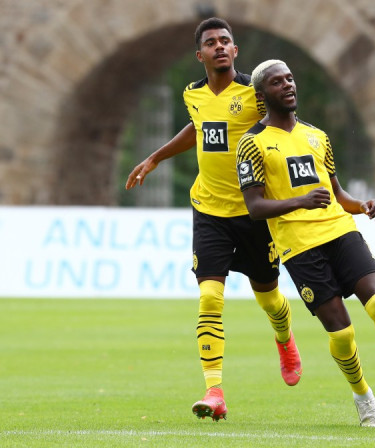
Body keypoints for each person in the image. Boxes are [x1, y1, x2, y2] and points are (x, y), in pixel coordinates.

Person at [236, 60, 375, 429]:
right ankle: (363, 396)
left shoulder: (317, 136)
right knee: (343, 333)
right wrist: (300, 201)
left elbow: (337, 194)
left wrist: (362, 206)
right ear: (261, 94)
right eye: (277, 82)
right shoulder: (252, 144)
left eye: (290, 78)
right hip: (299, 246)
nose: (288, 85)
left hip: (340, 230)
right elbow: (254, 208)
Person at [125, 19, 302, 422]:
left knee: (269, 298)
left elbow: (285, 129)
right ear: (200, 55)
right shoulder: (193, 94)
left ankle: (284, 338)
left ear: (235, 51)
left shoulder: (256, 93)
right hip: (209, 210)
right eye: (211, 42)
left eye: (225, 41)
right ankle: (214, 390)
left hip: (254, 212)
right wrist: (155, 157)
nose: (219, 46)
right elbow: (199, 127)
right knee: (209, 297)